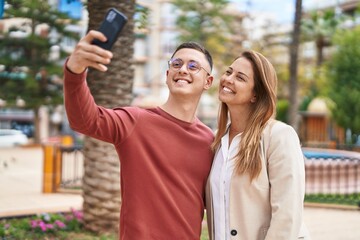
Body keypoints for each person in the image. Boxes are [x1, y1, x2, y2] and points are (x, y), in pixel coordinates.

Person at [63, 30, 214, 239]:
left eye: (193, 66)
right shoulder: (135, 121)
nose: (183, 70)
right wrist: (75, 70)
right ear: (167, 74)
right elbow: (84, 120)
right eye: (176, 64)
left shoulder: (210, 142)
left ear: (208, 81)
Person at [206, 50, 311, 240]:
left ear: (255, 94)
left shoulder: (279, 136)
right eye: (229, 72)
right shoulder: (217, 142)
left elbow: (287, 213)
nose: (228, 79)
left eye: (240, 77)